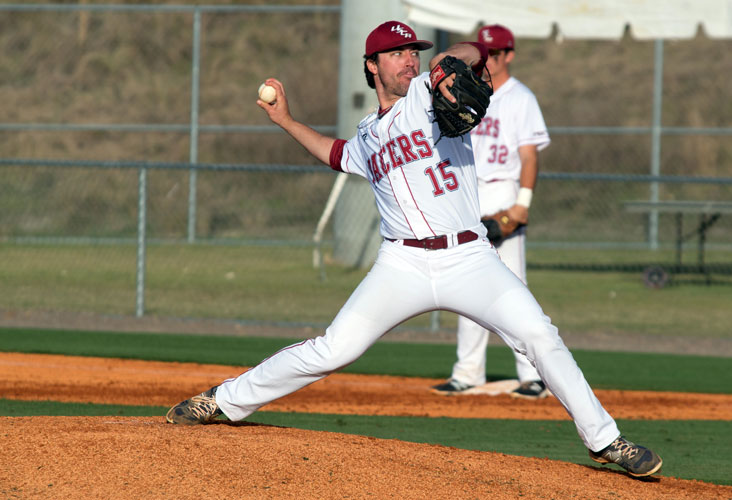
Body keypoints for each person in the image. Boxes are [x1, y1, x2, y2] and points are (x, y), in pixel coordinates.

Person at [165, 20, 662, 478]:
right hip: (401, 262)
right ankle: (224, 401)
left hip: (469, 256)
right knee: (334, 349)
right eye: (396, 52)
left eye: (413, 51)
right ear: (371, 65)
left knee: (539, 334)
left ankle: (606, 441)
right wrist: (286, 121)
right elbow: (335, 154)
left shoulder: (428, 93)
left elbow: (474, 51)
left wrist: (452, 59)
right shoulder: (366, 133)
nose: (409, 59)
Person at [430, 24, 552, 400]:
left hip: (502, 191)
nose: (489, 60)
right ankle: (467, 372)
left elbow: (528, 155)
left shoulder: (521, 98)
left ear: (509, 55)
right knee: (468, 287)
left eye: (495, 54)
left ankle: (533, 374)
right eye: (484, 54)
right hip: (468, 193)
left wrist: (522, 205)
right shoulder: (467, 91)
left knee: (514, 288)